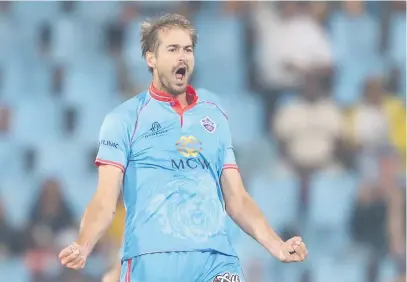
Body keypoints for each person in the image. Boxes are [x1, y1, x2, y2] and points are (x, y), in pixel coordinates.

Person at [58, 13, 308, 281]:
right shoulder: (123, 120)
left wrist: (277, 245)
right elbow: (104, 202)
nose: (182, 57)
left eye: (188, 49)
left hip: (215, 262)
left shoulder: (214, 114)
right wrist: (83, 245)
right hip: (151, 264)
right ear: (151, 58)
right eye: (173, 49)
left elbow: (237, 199)